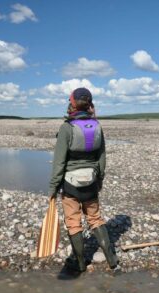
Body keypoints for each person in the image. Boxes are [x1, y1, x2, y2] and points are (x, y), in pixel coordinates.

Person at [49, 87, 118, 272]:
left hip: (70, 185)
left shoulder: (66, 128)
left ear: (72, 103)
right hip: (91, 183)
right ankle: (112, 260)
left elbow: (59, 162)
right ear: (89, 104)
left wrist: (53, 188)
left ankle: (80, 263)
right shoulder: (97, 126)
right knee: (95, 219)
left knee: (73, 222)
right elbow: (102, 158)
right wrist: (99, 179)